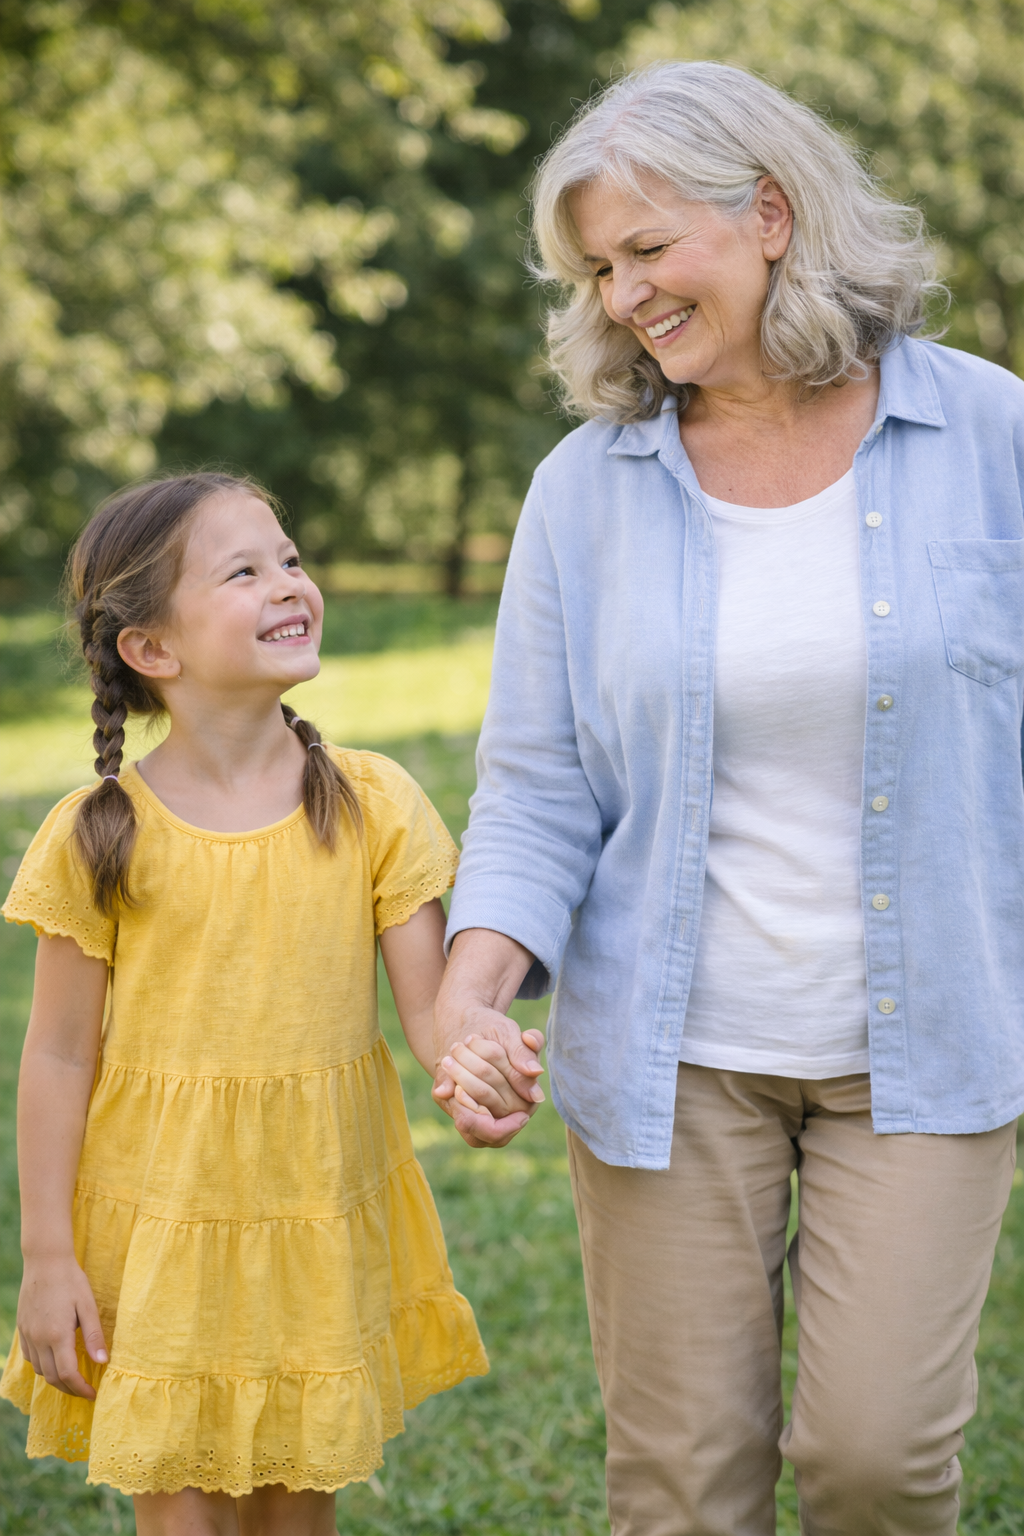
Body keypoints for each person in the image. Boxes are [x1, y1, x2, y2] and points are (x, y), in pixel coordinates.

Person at [432, 61, 1024, 1536]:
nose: (623, 295)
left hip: (930, 1043)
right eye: (597, 269)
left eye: (648, 249)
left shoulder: (993, 439)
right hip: (669, 1059)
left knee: (876, 1463)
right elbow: (537, 781)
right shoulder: (588, 489)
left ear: (767, 213)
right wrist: (468, 987)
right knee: (684, 1491)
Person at [1, 472, 489, 1535]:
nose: (288, 583)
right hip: (158, 1230)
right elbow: (56, 1060)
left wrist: (479, 1062)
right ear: (153, 650)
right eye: (243, 569)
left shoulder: (373, 804)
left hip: (309, 1220)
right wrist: (46, 1258)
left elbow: (435, 1015)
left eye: (292, 559)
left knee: (292, 1509)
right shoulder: (98, 831)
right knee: (183, 1520)